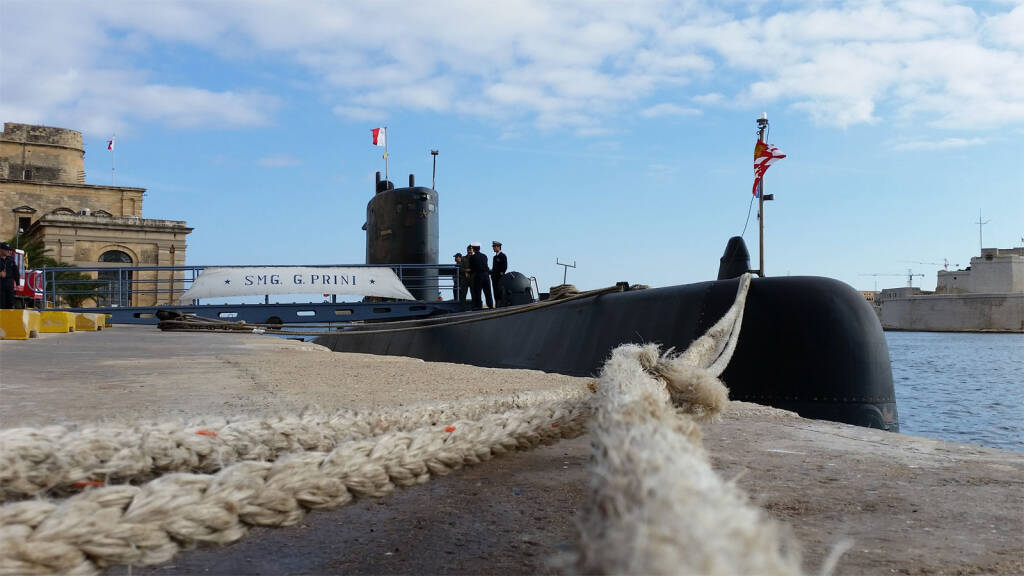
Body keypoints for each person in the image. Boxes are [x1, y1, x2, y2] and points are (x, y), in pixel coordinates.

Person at [468, 242, 493, 310]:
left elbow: (472, 268)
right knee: (487, 291)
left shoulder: (472, 257)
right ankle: (490, 305)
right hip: (486, 275)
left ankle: (479, 306)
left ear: (473, 249)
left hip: (478, 275)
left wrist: (468, 272)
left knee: (478, 291)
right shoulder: (484, 256)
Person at [0, 242, 20, 309]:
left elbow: (16, 271)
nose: (8, 251)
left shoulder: (11, 260)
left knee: (10, 304)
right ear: (1, 250)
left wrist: (18, 283)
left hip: (9, 286)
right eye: (6, 249)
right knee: (1, 305)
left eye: (9, 249)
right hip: (1, 286)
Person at [490, 241, 508, 307]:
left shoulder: (503, 256)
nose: (493, 248)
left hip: (499, 277)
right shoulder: (494, 257)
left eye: (494, 247)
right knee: (495, 291)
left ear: (498, 247)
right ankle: (497, 303)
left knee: (500, 291)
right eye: (493, 247)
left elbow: (505, 266)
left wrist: (501, 274)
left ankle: (501, 304)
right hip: (494, 277)